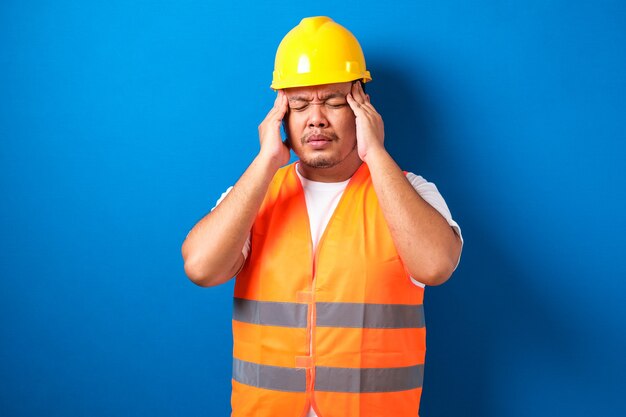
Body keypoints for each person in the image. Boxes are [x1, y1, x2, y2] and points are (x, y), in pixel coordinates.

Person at [182, 16, 463, 417]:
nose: (316, 118)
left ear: (362, 107)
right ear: (281, 115)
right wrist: (266, 161)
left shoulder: (410, 192)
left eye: (333, 101)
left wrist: (376, 154)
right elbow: (200, 268)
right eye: (299, 104)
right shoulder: (253, 196)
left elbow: (435, 265)